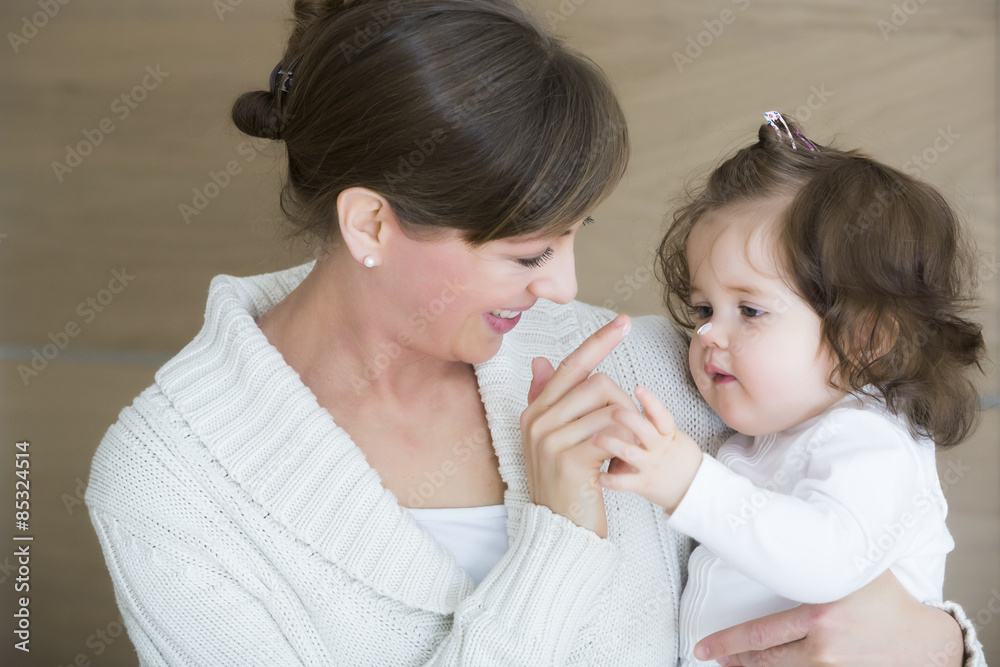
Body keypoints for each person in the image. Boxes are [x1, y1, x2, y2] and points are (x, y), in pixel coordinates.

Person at [84, 1, 985, 665]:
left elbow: (861, 527)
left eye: (574, 238)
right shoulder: (172, 492)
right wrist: (558, 537)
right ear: (370, 224)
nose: (567, 288)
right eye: (527, 254)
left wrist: (941, 647)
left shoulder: (657, 373)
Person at [592, 112, 987, 666]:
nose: (707, 335)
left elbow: (828, 561)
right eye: (703, 309)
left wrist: (688, 482)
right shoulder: (768, 433)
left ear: (866, 338)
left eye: (750, 311)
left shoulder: (870, 440)